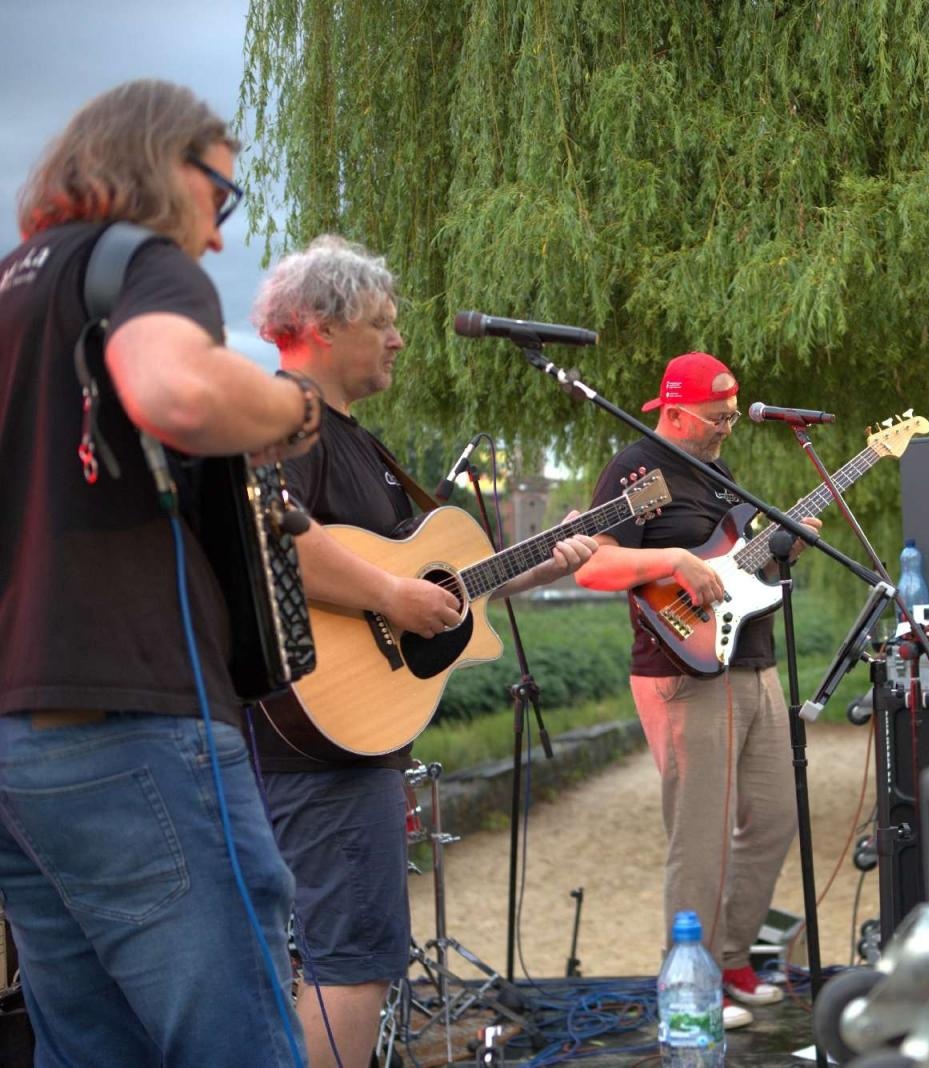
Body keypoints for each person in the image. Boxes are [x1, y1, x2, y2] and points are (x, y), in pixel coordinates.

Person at [0, 79, 317, 1066]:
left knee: (90, 1049)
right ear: (164, 164)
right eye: (220, 199)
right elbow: (175, 388)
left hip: (17, 745)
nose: (217, 237)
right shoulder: (138, 260)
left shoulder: (14, 285)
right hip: (132, 724)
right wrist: (290, 408)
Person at [247, 235, 596, 1068]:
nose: (400, 340)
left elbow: (427, 585)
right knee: (354, 961)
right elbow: (271, 542)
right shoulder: (287, 421)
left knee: (335, 958)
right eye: (382, 323)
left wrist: (530, 567)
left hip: (336, 745)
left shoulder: (353, 441)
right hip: (319, 749)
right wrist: (392, 596)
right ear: (322, 327)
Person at [574, 352, 820, 1030]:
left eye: (733, 416)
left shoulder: (717, 472)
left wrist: (782, 550)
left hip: (753, 661)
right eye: (716, 418)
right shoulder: (635, 471)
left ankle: (732, 956)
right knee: (701, 834)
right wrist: (673, 558)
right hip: (683, 670)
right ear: (675, 412)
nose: (727, 429)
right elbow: (594, 565)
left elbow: (734, 565)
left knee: (772, 818)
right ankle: (692, 982)